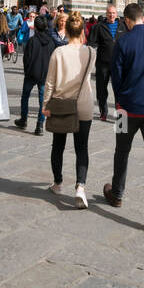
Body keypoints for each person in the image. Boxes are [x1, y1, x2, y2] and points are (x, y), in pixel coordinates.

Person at [103, 4, 144, 231]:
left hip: (124, 110)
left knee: (121, 151)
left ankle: (117, 193)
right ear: (143, 18)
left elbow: (116, 77)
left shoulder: (122, 42)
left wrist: (122, 99)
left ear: (127, 20)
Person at [42, 11, 96, 208]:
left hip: (62, 104)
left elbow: (50, 83)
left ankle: (58, 183)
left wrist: (45, 104)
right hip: (84, 104)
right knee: (82, 148)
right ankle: (80, 187)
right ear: (83, 31)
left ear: (66, 30)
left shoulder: (58, 52)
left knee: (58, 145)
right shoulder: (91, 53)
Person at [87, 4, 125, 122]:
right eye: (109, 13)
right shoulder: (99, 27)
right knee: (101, 88)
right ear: (106, 13)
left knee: (119, 89)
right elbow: (92, 43)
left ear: (116, 14)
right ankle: (103, 111)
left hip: (119, 63)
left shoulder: (123, 26)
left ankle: (120, 114)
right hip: (103, 62)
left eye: (113, 13)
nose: (111, 15)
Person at [17, 15, 54, 135]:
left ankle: (23, 120)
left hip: (31, 74)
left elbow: (26, 58)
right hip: (45, 75)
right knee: (43, 101)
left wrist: (27, 71)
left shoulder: (32, 41)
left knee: (25, 96)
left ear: (36, 28)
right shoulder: (51, 42)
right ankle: (40, 126)